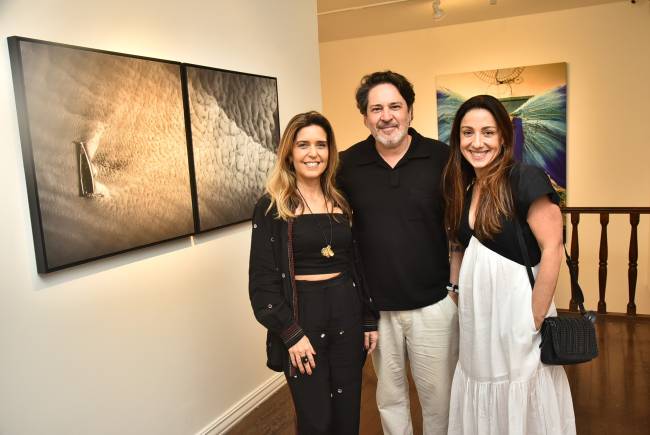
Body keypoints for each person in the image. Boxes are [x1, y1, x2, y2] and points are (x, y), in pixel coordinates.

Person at [442, 95, 576, 434]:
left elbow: (553, 249)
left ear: (503, 136)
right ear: (458, 140)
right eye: (467, 133)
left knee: (519, 386)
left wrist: (533, 317)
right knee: (484, 383)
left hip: (517, 313)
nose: (477, 142)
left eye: (487, 132)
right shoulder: (467, 186)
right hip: (478, 320)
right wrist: (455, 291)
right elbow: (460, 246)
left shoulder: (524, 178)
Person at [337, 71, 460, 435]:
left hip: (434, 303)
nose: (386, 116)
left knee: (440, 398)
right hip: (377, 311)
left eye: (394, 106)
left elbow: (459, 226)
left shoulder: (442, 158)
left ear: (410, 111)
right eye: (376, 108)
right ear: (364, 117)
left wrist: (453, 288)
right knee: (389, 399)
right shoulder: (346, 165)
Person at [249, 111, 379, 435]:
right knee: (315, 419)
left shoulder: (342, 201)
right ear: (289, 153)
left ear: (330, 151)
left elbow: (357, 265)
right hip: (303, 318)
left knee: (348, 412)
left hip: (346, 315)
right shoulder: (272, 208)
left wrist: (367, 317)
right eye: (303, 144)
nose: (313, 153)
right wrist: (290, 333)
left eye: (321, 144)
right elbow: (262, 283)